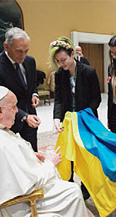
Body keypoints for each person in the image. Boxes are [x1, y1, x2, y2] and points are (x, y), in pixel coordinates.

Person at [0, 86, 89, 216]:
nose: (17, 111)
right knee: (72, 192)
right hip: (16, 204)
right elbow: (28, 183)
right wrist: (50, 164)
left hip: (14, 190)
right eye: (13, 107)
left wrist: (29, 154)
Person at [49, 36, 101, 199]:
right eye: (58, 61)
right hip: (68, 120)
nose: (62, 64)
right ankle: (69, 184)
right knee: (68, 153)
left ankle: (85, 187)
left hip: (85, 119)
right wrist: (57, 118)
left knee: (85, 153)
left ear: (72, 54)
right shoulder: (60, 74)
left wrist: (83, 115)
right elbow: (58, 98)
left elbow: (96, 99)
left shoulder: (89, 72)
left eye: (63, 59)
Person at [0, 27, 40, 152]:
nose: (23, 56)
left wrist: (34, 94)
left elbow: (32, 83)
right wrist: (24, 116)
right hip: (9, 120)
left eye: (26, 51)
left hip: (30, 115)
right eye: (19, 51)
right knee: (12, 156)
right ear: (6, 46)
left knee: (33, 153)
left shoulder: (30, 61)